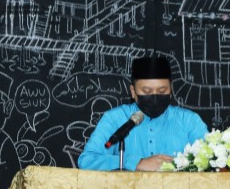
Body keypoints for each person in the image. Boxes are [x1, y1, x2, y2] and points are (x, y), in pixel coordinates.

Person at [78, 56, 208, 171]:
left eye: (162, 91)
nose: (155, 97)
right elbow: (87, 160)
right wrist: (137, 163)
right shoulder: (115, 118)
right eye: (146, 91)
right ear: (133, 91)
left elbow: (211, 160)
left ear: (171, 90)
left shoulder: (189, 121)